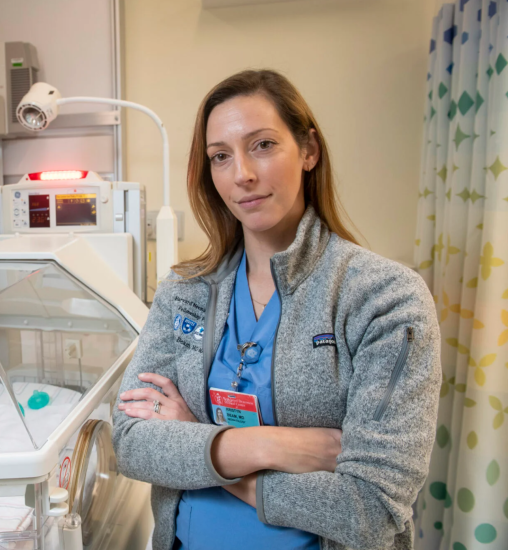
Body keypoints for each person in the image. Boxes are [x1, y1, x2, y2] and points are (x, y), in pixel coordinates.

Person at [112, 69, 440, 550]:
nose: (241, 173)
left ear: (309, 150)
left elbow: (371, 509)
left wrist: (199, 445)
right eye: (220, 157)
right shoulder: (185, 291)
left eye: (262, 145)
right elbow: (132, 444)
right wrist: (270, 445)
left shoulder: (383, 298)